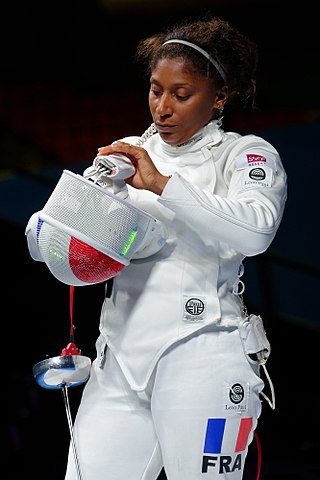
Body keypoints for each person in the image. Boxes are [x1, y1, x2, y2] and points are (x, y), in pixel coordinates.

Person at [31, 15, 287, 480]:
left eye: (181, 94)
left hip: (205, 356)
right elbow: (58, 246)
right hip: (118, 362)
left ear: (219, 97)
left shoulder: (245, 154)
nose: (162, 108)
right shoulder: (125, 152)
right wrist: (79, 214)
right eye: (155, 90)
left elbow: (257, 231)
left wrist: (163, 184)